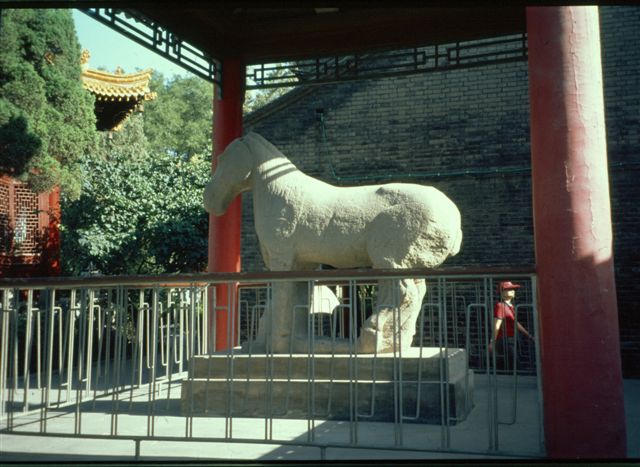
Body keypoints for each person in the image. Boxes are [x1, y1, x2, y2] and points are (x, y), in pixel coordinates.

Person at [489, 281, 534, 371]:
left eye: (513, 289)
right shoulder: (500, 306)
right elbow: (497, 325)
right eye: (509, 289)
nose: (513, 290)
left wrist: (529, 336)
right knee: (515, 365)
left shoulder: (511, 306)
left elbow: (515, 322)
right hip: (504, 340)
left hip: (511, 339)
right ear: (502, 292)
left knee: (511, 364)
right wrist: (492, 341)